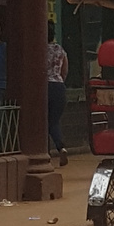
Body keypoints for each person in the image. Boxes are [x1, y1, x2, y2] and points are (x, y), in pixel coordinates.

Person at [47, 20, 70, 167]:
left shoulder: (36, 49)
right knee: (54, 121)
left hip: (43, 88)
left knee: (41, 121)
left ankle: (45, 153)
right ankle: (61, 146)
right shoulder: (60, 50)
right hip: (59, 87)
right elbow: (65, 71)